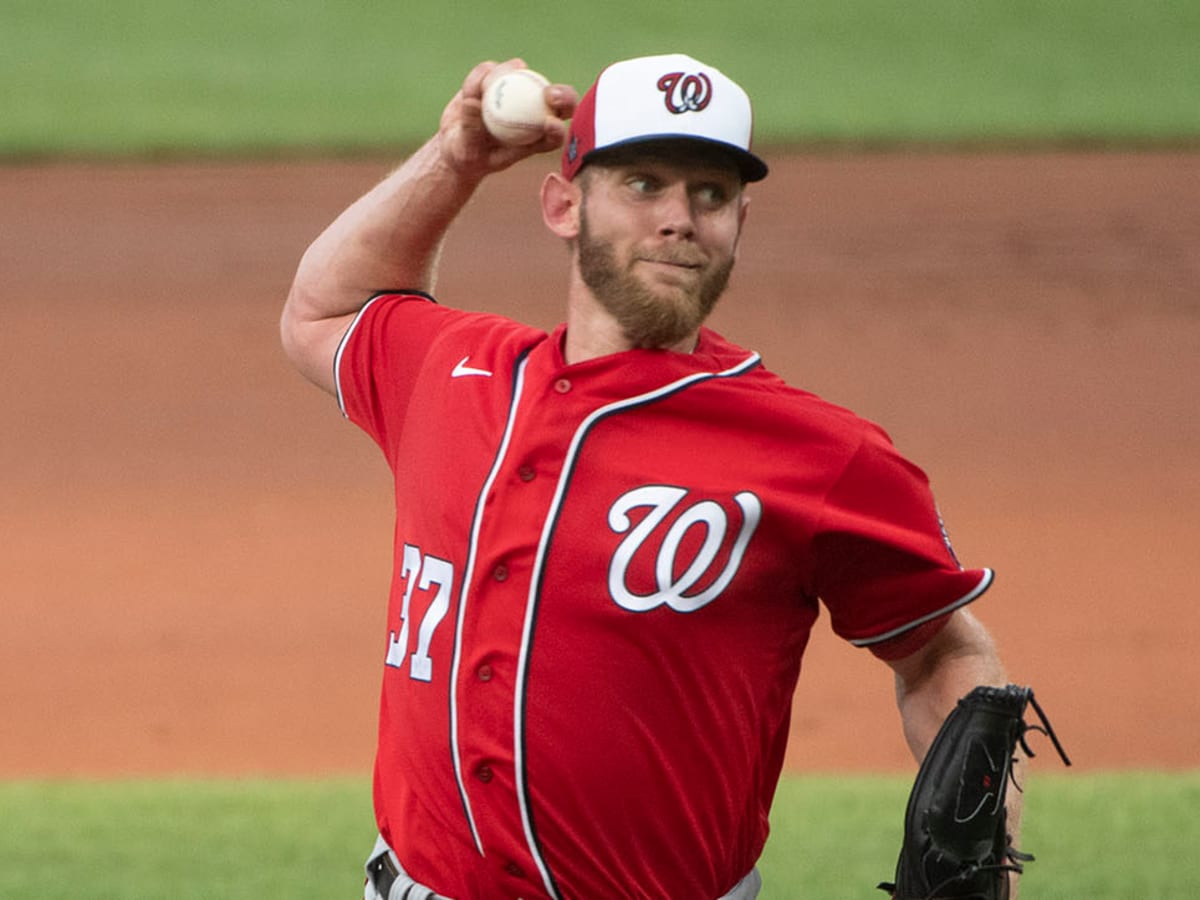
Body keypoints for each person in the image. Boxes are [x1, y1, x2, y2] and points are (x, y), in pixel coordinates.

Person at [281, 53, 1017, 900]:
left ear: (740, 222)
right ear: (564, 205)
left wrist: (985, 856)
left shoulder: (820, 454)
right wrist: (455, 160)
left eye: (710, 195)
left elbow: (943, 652)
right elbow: (322, 310)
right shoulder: (453, 371)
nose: (679, 219)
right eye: (643, 184)